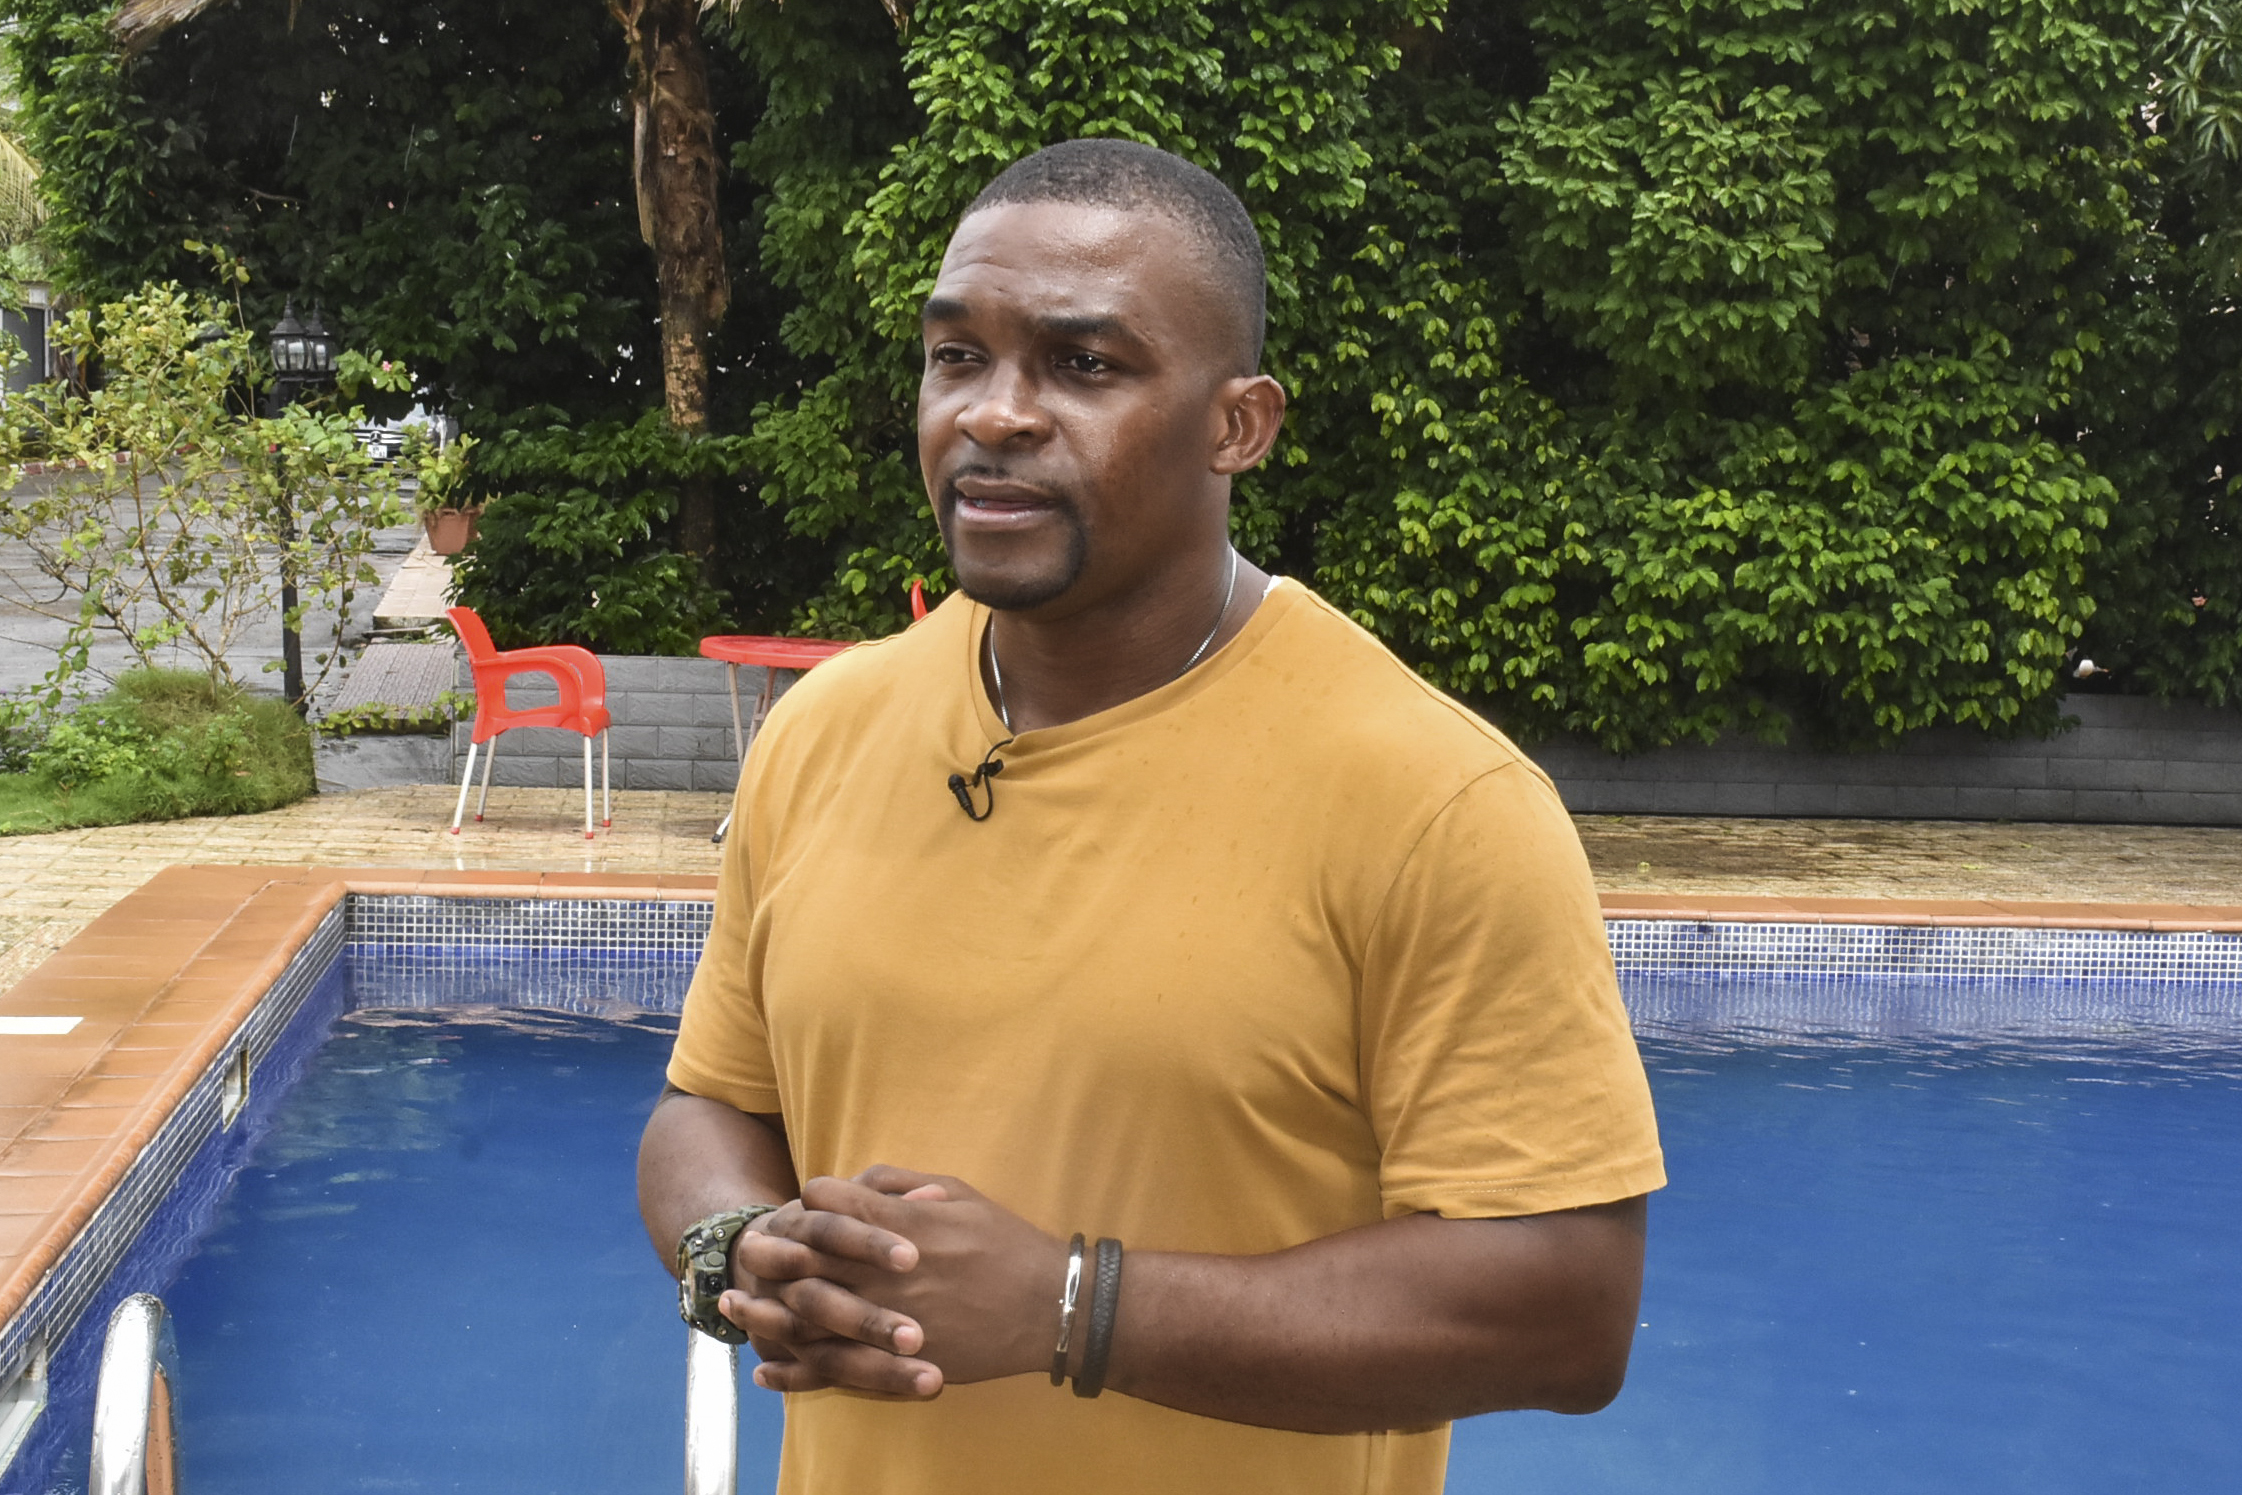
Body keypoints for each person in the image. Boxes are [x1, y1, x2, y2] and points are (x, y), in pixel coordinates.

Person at [638, 138, 1665, 1495]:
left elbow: (1565, 1308)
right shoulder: (825, 732)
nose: (993, 415)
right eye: (957, 359)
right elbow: (710, 1104)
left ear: (1237, 424)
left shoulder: (1430, 801)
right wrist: (745, 1243)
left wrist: (1071, 1304)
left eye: (1085, 366)